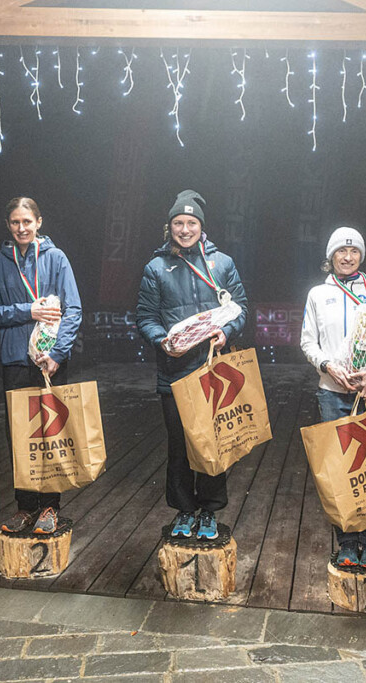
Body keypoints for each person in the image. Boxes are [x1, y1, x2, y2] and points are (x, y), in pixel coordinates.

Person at [137, 190, 248, 540]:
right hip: (175, 371)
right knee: (180, 445)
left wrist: (226, 332)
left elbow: (241, 307)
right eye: (178, 223)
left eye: (191, 223)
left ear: (202, 226)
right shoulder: (156, 267)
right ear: (168, 227)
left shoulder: (222, 263)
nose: (185, 229)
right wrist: (163, 341)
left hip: (213, 371)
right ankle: (185, 510)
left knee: (213, 443)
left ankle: (211, 511)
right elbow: (145, 317)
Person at [300, 227, 366, 570]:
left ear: (361, 255)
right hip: (333, 392)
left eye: (354, 251)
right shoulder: (318, 294)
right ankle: (346, 541)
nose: (348, 257)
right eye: (341, 252)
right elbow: (308, 342)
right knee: (341, 470)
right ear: (330, 257)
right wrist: (327, 366)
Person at [0, 196, 82, 536]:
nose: (21, 228)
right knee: (20, 438)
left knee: (50, 434)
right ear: (8, 226)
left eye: (27, 221)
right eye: (15, 223)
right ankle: (25, 507)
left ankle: (51, 506)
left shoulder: (56, 258)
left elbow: (73, 310)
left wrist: (58, 353)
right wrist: (29, 311)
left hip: (50, 362)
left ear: (39, 222)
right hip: (15, 360)